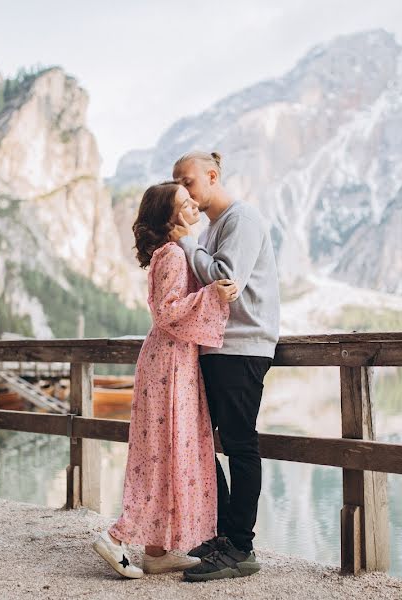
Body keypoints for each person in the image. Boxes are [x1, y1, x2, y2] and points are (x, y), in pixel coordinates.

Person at [92, 181, 239, 578]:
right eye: (184, 202)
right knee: (160, 456)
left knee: (165, 453)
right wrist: (214, 296)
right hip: (169, 365)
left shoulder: (171, 252)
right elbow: (168, 312)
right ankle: (116, 537)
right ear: (170, 216)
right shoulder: (173, 254)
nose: (193, 204)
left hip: (172, 361)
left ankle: (157, 552)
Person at [170, 151, 280, 581]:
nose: (183, 189)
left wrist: (185, 243)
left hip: (241, 347)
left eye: (189, 180)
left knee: (239, 445)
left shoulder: (241, 220)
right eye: (176, 181)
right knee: (200, 441)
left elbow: (222, 278)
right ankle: (223, 535)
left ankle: (240, 547)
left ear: (212, 176)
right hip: (217, 347)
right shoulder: (215, 226)